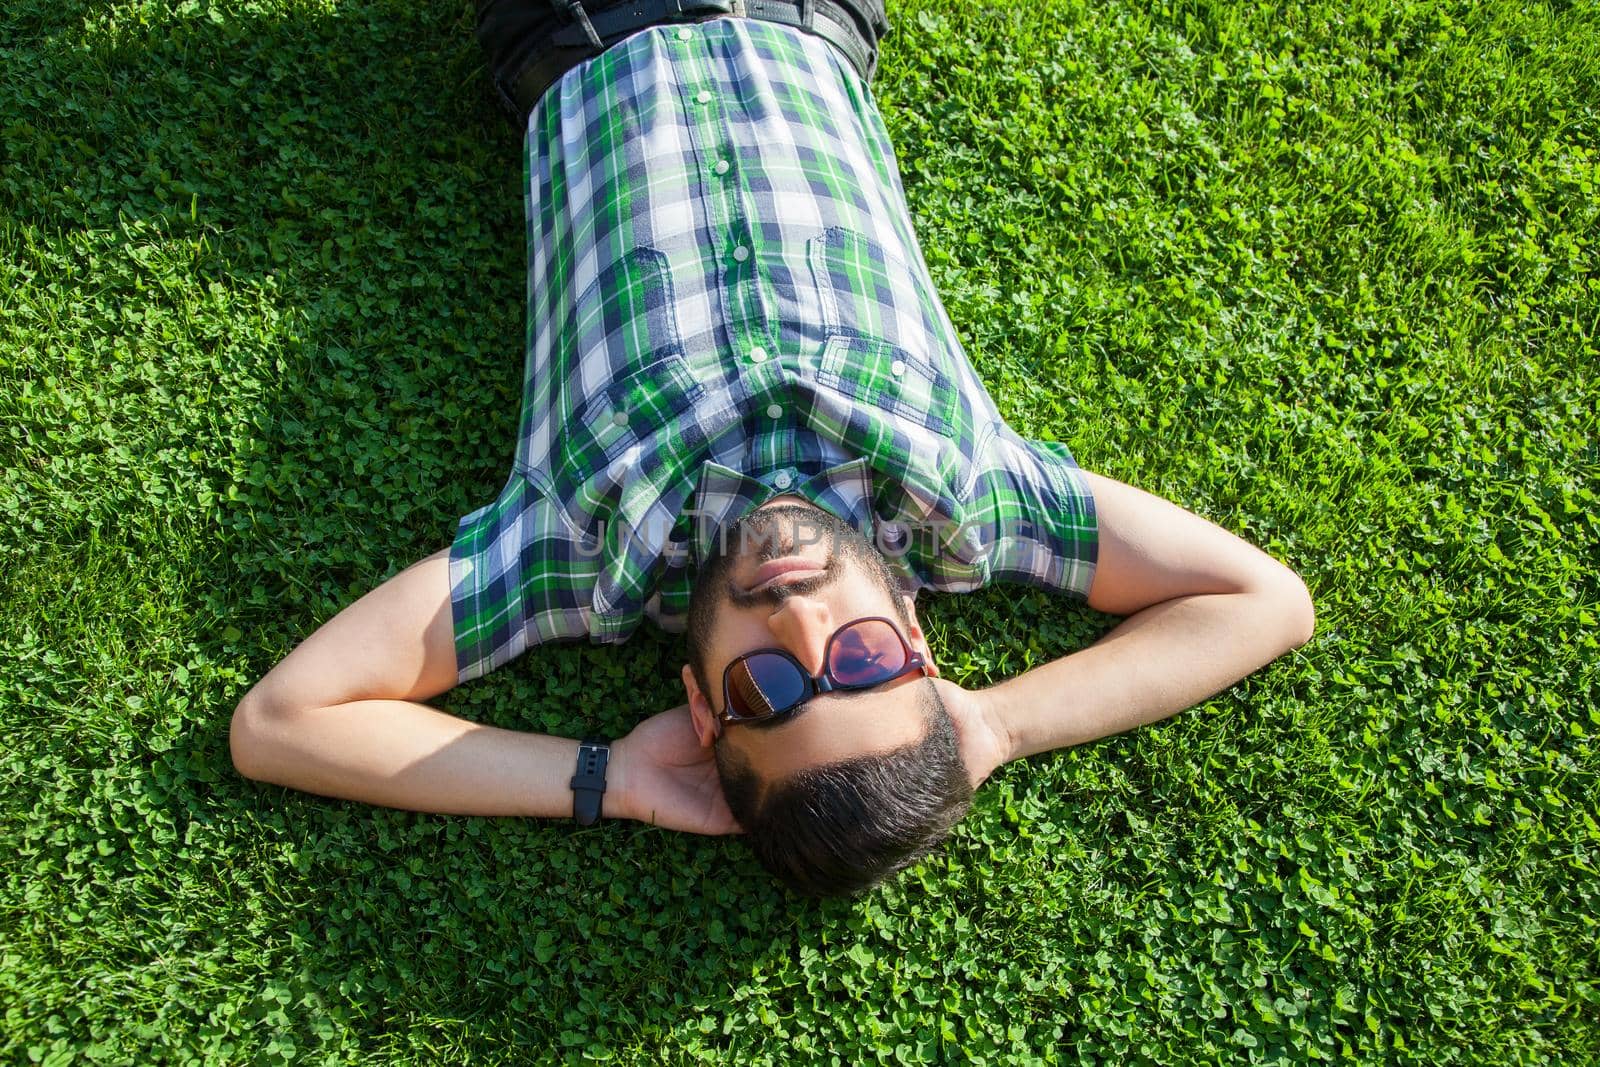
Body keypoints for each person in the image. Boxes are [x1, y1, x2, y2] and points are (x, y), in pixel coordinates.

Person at [229, 0, 1315, 897]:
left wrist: (606, 776)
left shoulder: (577, 548)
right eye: (862, 662)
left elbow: (281, 721)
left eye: (767, 690)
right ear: (916, 642)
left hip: (578, 26)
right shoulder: (967, 499)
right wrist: (991, 725)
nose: (801, 618)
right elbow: (1263, 601)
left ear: (699, 711)